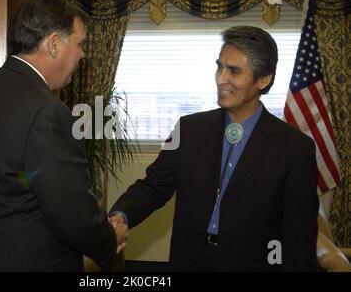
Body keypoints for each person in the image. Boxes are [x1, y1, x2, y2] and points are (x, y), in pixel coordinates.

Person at [110, 26, 319, 271]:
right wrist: (121, 215)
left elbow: (299, 239)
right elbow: (154, 187)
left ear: (264, 79)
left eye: (234, 71)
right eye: (219, 66)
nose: (221, 78)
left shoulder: (294, 149)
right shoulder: (189, 129)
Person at [0, 0, 127, 271]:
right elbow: (70, 212)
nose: (83, 54)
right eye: (79, 43)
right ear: (53, 44)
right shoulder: (47, 112)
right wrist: (110, 239)